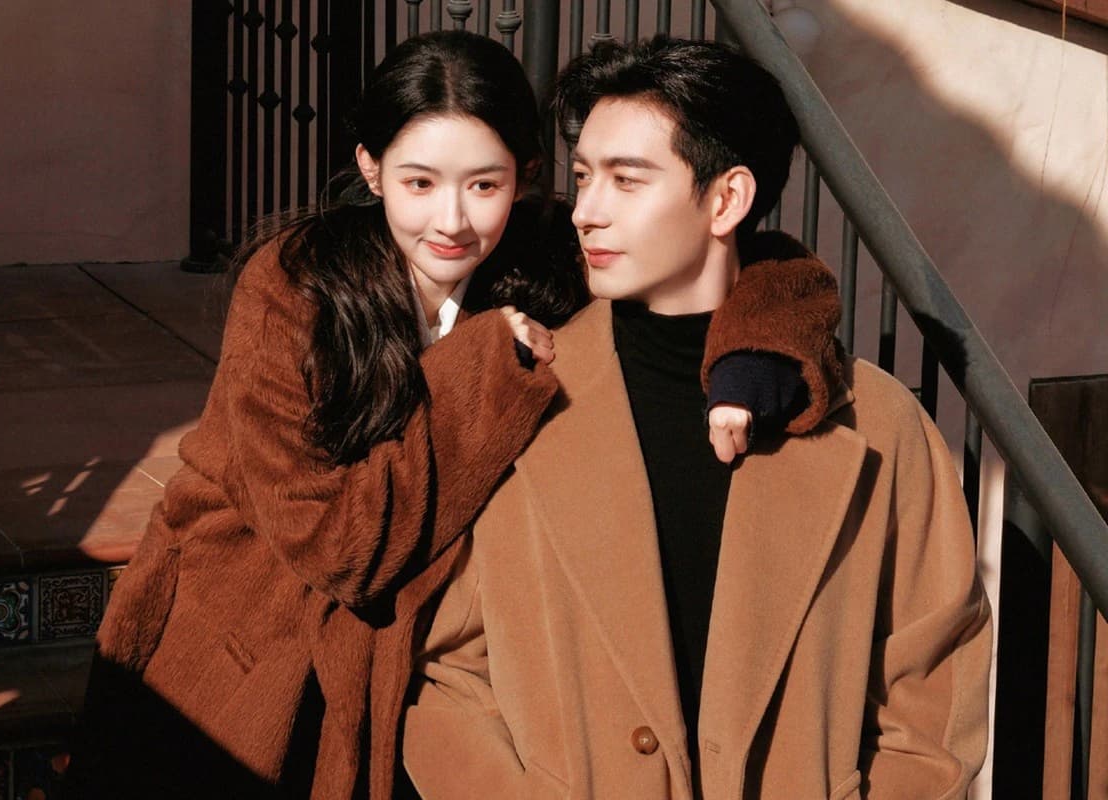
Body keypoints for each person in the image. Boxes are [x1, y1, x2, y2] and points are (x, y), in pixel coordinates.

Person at [67, 32, 841, 799]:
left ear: (524, 176)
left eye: (484, 185)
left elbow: (758, 262)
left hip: (424, 659)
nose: (452, 221)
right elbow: (336, 549)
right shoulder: (296, 288)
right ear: (371, 169)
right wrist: (479, 368)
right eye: (419, 182)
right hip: (243, 649)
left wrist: (755, 347)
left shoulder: (548, 260)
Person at [403, 37, 993, 800]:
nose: (587, 212)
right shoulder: (518, 394)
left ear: (727, 200)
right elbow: (446, 666)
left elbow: (932, 691)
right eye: (583, 177)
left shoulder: (878, 425)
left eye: (626, 180)